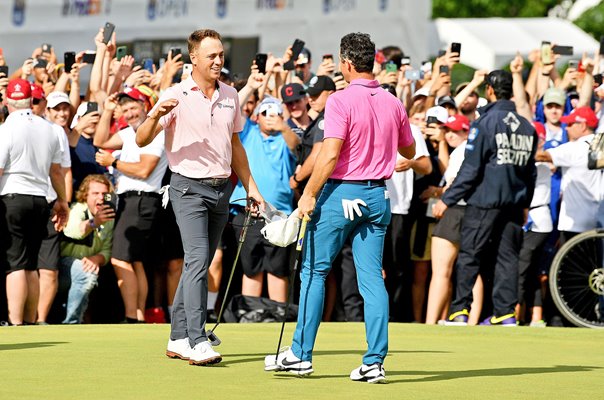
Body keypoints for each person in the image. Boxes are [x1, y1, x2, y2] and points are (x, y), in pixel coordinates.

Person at [274, 32, 415, 383]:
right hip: (377, 196)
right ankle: (374, 362)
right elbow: (410, 151)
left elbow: (331, 152)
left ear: (347, 64)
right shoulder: (393, 102)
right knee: (371, 280)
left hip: (342, 193)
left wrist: (308, 193)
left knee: (314, 272)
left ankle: (300, 356)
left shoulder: (339, 100)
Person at [136, 29, 264, 366]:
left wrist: (251, 186)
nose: (219, 61)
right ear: (194, 58)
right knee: (196, 259)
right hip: (187, 187)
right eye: (212, 56)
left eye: (221, 55)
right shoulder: (175, 94)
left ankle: (178, 336)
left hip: (222, 189)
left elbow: (235, 145)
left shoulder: (230, 95)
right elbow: (140, 139)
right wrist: (155, 113)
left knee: (199, 263)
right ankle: (196, 338)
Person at [433, 70, 537, 326]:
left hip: (485, 201)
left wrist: (448, 199)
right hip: (513, 204)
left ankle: (459, 312)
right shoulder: (527, 126)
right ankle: (505, 314)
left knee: (469, 255)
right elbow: (530, 172)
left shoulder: (486, 123)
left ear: (489, 90)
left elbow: (471, 169)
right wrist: (525, 204)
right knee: (507, 259)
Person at [94, 88, 168, 322]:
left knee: (120, 259)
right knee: (134, 261)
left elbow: (145, 170)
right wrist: (107, 111)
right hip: (132, 200)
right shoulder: (127, 133)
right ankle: (136, 314)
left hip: (142, 199)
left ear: (146, 106)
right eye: (125, 109)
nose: (129, 112)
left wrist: (113, 162)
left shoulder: (155, 131)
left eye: (134, 107)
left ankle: (131, 316)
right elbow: (100, 140)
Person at [0, 79, 69, 325]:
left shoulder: (4, 129)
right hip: (40, 200)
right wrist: (63, 201)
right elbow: (56, 172)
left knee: (15, 264)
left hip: (11, 197)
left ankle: (16, 323)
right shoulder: (49, 129)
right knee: (30, 265)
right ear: (32, 101)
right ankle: (30, 322)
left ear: (7, 102)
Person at [230, 97, 299, 302]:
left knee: (277, 270)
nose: (270, 119)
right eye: (265, 114)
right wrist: (252, 84)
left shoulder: (286, 136)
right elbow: (235, 107)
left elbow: (297, 146)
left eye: (274, 113)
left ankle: (275, 316)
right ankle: (251, 316)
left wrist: (284, 127)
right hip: (248, 212)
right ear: (256, 117)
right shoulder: (249, 133)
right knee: (251, 268)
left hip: (278, 214)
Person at [535, 106, 604, 240]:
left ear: (582, 125)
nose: (566, 128)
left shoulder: (575, 147)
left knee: (568, 261)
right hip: (598, 220)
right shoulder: (601, 146)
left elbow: (542, 156)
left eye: (571, 124)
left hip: (575, 224)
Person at [59, 174, 114, 323]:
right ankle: (72, 323)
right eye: (95, 193)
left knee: (89, 273)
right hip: (63, 268)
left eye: (104, 194)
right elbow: (73, 231)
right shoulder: (77, 209)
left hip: (87, 266)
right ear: (85, 195)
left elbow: (107, 251)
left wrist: (97, 258)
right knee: (86, 274)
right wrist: (94, 222)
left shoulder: (109, 217)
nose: (101, 198)